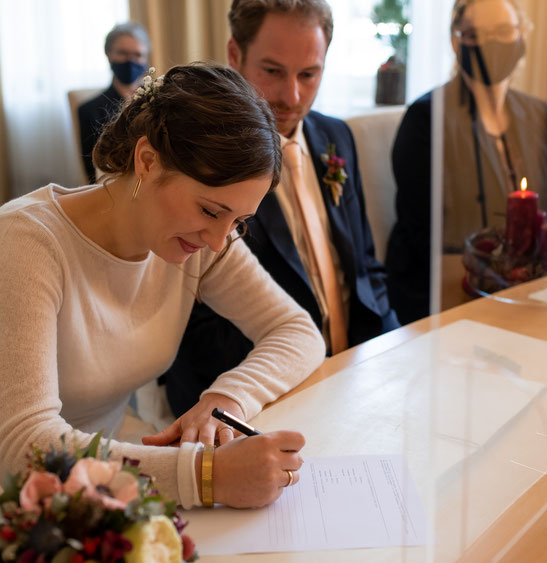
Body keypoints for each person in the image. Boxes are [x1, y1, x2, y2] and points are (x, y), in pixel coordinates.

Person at [0, 63, 326, 563]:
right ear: (148, 161)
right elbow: (26, 448)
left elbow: (297, 331)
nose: (221, 240)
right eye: (212, 210)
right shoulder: (26, 243)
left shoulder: (200, 241)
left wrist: (229, 398)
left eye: (238, 222)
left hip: (95, 471)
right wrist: (206, 475)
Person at [164, 0, 399, 417]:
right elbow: (195, 324)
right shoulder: (201, 156)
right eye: (272, 71)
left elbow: (364, 270)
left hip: (357, 374)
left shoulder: (335, 137)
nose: (292, 96)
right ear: (235, 55)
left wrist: (396, 354)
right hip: (260, 392)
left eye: (309, 74)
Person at [386, 0, 547, 323]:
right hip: (447, 295)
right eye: (475, 34)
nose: (489, 44)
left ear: (522, 34)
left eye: (502, 31)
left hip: (529, 291)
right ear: (456, 42)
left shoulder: (539, 115)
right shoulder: (427, 118)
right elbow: (422, 232)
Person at [77, 22, 150, 184]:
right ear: (108, 54)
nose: (130, 61)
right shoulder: (89, 110)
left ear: (145, 59)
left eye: (137, 55)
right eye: (123, 53)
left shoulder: (158, 101)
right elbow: (93, 171)